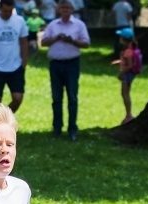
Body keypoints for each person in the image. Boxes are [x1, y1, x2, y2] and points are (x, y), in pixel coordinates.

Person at [40, 0, 88, 140]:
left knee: (72, 96)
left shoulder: (79, 25)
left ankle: (72, 128)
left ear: (72, 9)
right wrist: (55, 38)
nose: (65, 9)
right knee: (56, 97)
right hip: (55, 64)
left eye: (68, 7)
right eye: (63, 7)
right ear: (58, 9)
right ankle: (57, 127)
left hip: (72, 64)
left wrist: (72, 41)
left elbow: (86, 43)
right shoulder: (53, 25)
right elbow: (43, 42)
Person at [111, 27, 139, 125]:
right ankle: (128, 114)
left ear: (123, 39)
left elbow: (130, 65)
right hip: (129, 74)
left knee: (125, 94)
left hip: (127, 74)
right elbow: (127, 61)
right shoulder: (130, 49)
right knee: (125, 93)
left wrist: (122, 73)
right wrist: (119, 62)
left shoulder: (128, 51)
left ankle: (129, 115)